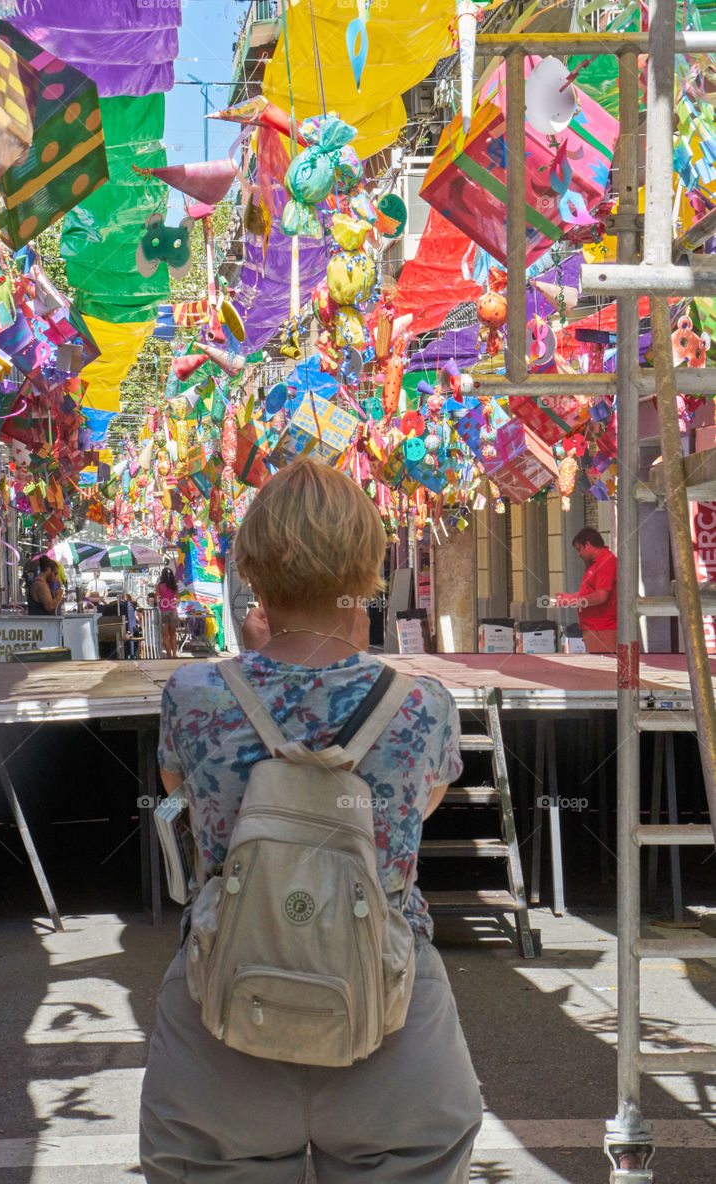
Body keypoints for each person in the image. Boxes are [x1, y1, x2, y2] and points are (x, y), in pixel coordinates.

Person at [140, 459, 482, 1183]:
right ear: (367, 566)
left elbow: (178, 790)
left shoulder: (195, 694)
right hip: (388, 1021)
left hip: (224, 1012)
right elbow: (420, 808)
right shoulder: (421, 706)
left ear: (252, 569)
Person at [556, 527, 617, 653]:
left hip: (602, 628)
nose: (579, 554)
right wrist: (570, 597)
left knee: (602, 668)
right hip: (593, 627)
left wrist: (574, 601)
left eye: (579, 549)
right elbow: (589, 592)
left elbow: (601, 596)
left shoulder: (606, 561)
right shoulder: (593, 563)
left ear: (588, 545)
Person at [155, 566, 179, 659]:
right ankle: (174, 654)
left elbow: (157, 599)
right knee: (173, 634)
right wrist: (173, 601)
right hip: (173, 611)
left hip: (163, 611)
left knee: (165, 635)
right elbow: (178, 599)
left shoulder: (159, 586)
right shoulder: (174, 586)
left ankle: (169, 654)